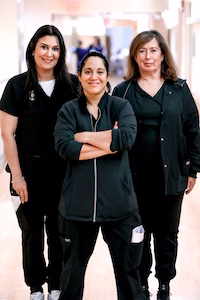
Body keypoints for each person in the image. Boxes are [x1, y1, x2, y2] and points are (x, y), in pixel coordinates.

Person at [112, 30, 200, 300]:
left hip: (171, 175)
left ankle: (164, 283)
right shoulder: (122, 90)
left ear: (162, 54)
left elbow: (193, 130)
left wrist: (193, 170)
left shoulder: (180, 89)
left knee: (167, 234)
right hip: (133, 177)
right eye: (142, 51)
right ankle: (141, 283)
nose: (147, 56)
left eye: (153, 50)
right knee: (138, 233)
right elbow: (112, 134)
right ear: (134, 56)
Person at [54, 51, 146, 300]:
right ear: (80, 77)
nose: (94, 76)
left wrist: (82, 137)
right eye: (88, 71)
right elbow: (64, 147)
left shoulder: (120, 106)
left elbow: (126, 138)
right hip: (76, 208)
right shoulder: (68, 111)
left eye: (100, 72)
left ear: (107, 77)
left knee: (129, 275)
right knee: (71, 278)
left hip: (120, 206)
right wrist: (109, 142)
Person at [0, 25, 79, 300]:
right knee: (31, 233)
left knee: (59, 232)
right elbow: (7, 134)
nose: (49, 53)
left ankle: (56, 284)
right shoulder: (16, 85)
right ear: (33, 49)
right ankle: (35, 287)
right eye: (44, 47)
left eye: (55, 48)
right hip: (28, 173)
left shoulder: (72, 85)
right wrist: (17, 177)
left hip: (62, 172)